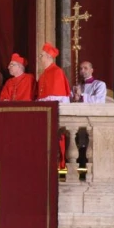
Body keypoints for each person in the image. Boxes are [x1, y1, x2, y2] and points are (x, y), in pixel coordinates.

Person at [36, 42, 71, 170]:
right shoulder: (44, 73)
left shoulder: (57, 72)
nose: (40, 58)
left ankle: (60, 166)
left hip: (54, 114)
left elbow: (58, 96)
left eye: (42, 55)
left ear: (49, 57)